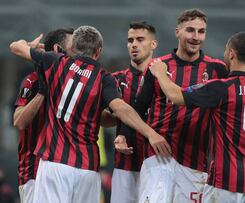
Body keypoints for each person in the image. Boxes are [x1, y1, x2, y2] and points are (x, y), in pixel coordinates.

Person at [9, 25, 171, 203]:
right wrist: (150, 132)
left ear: (73, 48)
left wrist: (30, 45)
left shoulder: (56, 62)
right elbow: (120, 108)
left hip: (55, 163)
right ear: (99, 51)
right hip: (88, 168)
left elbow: (15, 47)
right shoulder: (104, 78)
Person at [149, 32, 245, 202]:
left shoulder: (221, 87)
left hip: (226, 180)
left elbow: (177, 96)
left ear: (231, 53)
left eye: (226, 50)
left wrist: (160, 73)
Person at [127, 8, 228, 203]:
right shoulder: (158, 66)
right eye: (190, 30)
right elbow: (138, 108)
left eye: (201, 31)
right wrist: (137, 134)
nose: (196, 37)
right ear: (177, 32)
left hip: (196, 162)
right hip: (158, 157)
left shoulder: (217, 69)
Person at [13, 28, 74, 203]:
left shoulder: (73, 82)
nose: (77, 52)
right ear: (57, 50)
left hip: (65, 168)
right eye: (73, 47)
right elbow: (18, 122)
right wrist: (42, 93)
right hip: (35, 171)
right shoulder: (33, 81)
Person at [110, 21, 158, 203]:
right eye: (130, 40)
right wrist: (114, 113)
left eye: (140, 39)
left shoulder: (166, 79)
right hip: (124, 167)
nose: (134, 44)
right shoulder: (115, 80)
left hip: (157, 165)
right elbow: (103, 120)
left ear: (153, 44)